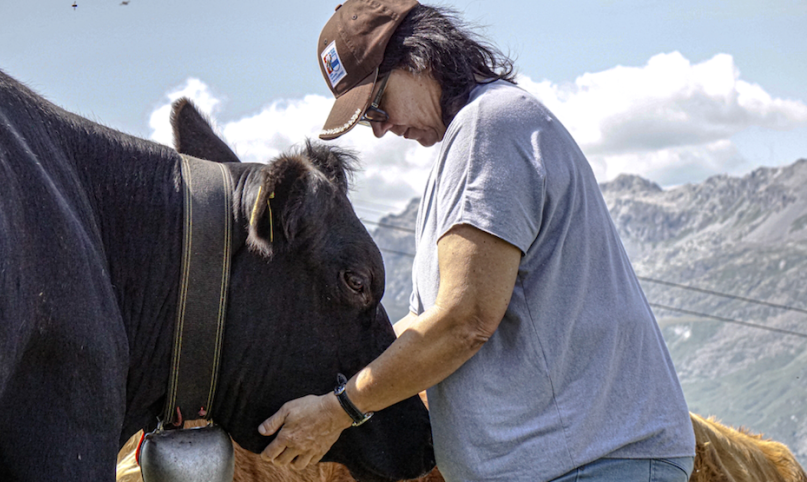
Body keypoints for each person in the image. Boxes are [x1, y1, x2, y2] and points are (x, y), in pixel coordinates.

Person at [258, 1, 696, 481]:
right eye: (367, 120)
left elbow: (465, 321)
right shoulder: (476, 137)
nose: (380, 129)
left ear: (418, 59)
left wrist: (340, 409)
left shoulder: (490, 127)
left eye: (377, 104)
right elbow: (432, 322)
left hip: (591, 464)